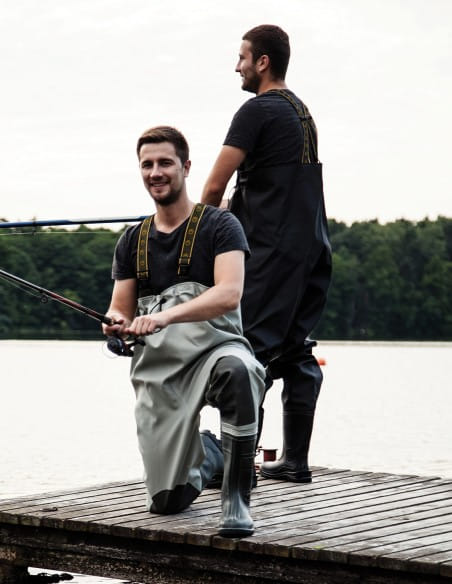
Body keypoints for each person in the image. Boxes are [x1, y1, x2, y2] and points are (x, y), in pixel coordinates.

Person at [102, 125, 265, 538]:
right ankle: (213, 454)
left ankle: (236, 498)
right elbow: (120, 307)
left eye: (165, 163)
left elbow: (229, 293)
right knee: (167, 501)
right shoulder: (132, 241)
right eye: (147, 165)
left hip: (215, 350)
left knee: (241, 370)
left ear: (186, 167)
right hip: (160, 369)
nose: (155, 172)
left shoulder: (221, 225)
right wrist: (115, 324)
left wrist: (165, 317)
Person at [201, 25, 332, 483]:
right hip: (311, 250)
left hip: (271, 255)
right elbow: (280, 187)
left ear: (262, 62)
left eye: (242, 57)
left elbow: (213, 185)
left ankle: (238, 469)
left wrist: (198, 231)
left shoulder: (256, 110)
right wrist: (235, 206)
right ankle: (294, 461)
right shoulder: (302, 113)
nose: (236, 66)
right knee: (296, 352)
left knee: (248, 351)